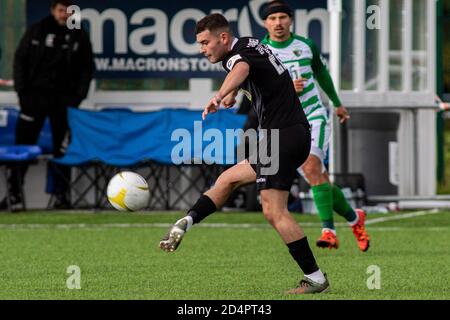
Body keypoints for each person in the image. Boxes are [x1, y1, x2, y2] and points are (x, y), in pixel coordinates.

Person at [160, 13, 330, 294]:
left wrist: (219, 94)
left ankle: (315, 278)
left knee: (273, 210)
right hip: (287, 135)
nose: (203, 49)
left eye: (205, 43)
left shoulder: (237, 56)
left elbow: (239, 69)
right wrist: (231, 95)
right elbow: (251, 74)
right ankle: (186, 222)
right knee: (228, 179)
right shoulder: (251, 44)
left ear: (223, 38)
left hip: (282, 136)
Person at [261, 0, 370, 251]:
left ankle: (328, 232)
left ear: (290, 20)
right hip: (285, 124)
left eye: (282, 17)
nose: (278, 23)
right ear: (265, 23)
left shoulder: (306, 45)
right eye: (273, 18)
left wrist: (337, 103)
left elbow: (321, 73)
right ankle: (355, 218)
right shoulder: (262, 52)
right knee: (319, 179)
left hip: (313, 117)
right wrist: (286, 88)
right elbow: (257, 93)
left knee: (312, 166)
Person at [0, 0, 94, 210]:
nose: (64, 14)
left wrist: (77, 97)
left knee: (62, 148)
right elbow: (20, 60)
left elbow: (87, 68)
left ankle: (61, 196)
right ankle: (14, 195)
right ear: (53, 10)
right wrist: (23, 93)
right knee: (22, 146)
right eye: (60, 10)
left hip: (64, 101)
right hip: (34, 99)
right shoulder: (37, 30)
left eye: (68, 11)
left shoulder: (78, 34)